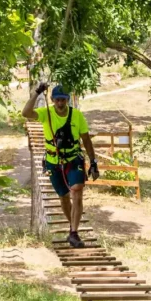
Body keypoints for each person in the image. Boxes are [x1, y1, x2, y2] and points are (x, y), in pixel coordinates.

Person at [23, 82, 99, 247]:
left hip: (73, 159)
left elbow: (86, 139)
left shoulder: (77, 115)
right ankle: (72, 227)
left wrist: (93, 162)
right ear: (52, 100)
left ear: (67, 100)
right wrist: (37, 93)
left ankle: (74, 232)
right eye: (57, 100)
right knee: (63, 197)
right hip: (53, 162)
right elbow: (26, 113)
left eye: (63, 100)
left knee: (77, 190)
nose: (60, 103)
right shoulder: (46, 113)